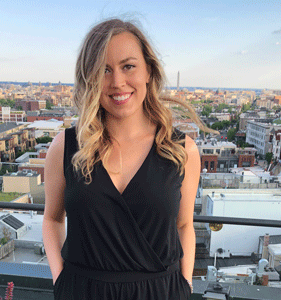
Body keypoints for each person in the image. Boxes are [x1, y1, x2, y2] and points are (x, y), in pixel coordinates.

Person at [43, 18, 212, 300]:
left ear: (148, 70)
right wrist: (60, 280)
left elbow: (184, 225)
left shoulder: (182, 150)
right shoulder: (66, 146)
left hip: (161, 293)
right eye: (103, 70)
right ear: (90, 78)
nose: (117, 82)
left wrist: (185, 285)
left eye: (128, 66)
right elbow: (51, 218)